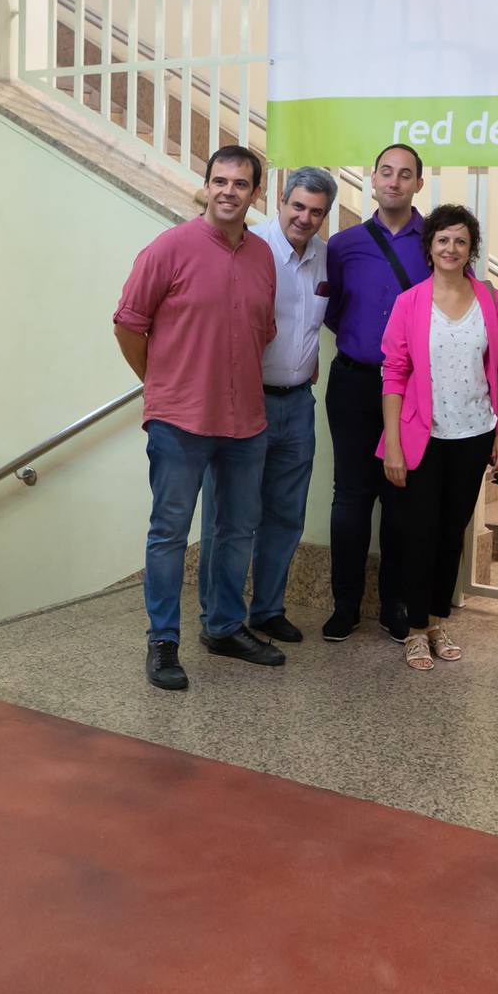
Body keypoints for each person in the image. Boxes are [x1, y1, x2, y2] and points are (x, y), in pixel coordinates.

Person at [113, 143, 282, 691]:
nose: (229, 191)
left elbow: (262, 332)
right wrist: (162, 385)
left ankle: (225, 626)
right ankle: (163, 640)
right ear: (207, 186)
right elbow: (128, 325)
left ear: (256, 193)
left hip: (246, 422)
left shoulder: (261, 257)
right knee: (169, 532)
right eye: (220, 181)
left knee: (236, 531)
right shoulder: (169, 248)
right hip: (179, 422)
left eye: (241, 183)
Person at [197, 166, 334, 644]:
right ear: (279, 199)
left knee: (285, 513)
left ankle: (268, 609)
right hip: (244, 402)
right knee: (229, 518)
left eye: (316, 212)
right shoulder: (251, 250)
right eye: (298, 206)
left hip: (297, 403)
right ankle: (218, 618)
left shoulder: (324, 257)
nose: (305, 218)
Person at [378, 205, 498, 670]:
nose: (450, 249)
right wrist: (393, 443)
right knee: (420, 533)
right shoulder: (410, 303)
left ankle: (436, 620)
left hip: (475, 432)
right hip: (422, 437)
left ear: (470, 248)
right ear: (430, 247)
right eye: (442, 240)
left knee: (451, 533)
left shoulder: (490, 301)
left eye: (460, 241)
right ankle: (415, 629)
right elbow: (394, 374)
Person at [320, 143, 430, 641]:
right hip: (354, 383)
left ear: (418, 185)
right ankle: (345, 604)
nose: (394, 181)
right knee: (350, 499)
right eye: (386, 172)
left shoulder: (436, 242)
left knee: (401, 501)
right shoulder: (342, 245)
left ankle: (394, 604)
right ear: (372, 178)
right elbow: (335, 312)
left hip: (409, 391)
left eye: (405, 174)